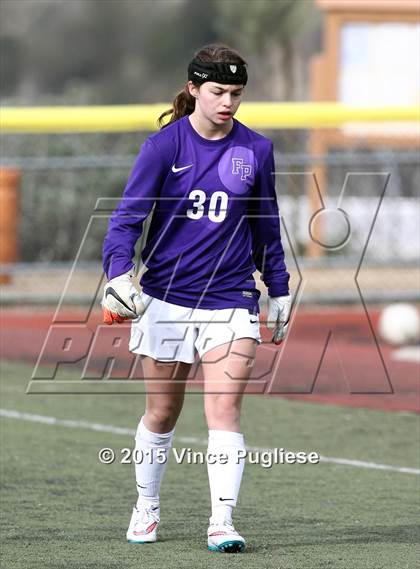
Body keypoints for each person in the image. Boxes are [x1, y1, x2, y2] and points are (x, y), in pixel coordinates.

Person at [101, 43, 291, 554]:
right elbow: (126, 220)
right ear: (193, 90)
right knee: (161, 414)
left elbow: (266, 226)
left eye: (236, 92)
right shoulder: (164, 147)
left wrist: (279, 288)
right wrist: (118, 274)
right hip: (166, 299)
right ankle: (146, 507)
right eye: (218, 91)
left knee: (224, 410)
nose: (228, 101)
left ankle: (222, 522)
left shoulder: (257, 150)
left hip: (231, 300)